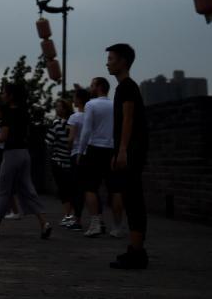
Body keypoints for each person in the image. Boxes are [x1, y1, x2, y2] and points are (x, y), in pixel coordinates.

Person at [0, 83, 52, 239]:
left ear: (11, 95)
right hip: (24, 154)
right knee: (28, 189)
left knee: (3, 191)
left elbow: (4, 136)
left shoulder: (8, 113)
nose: (2, 95)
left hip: (11, 154)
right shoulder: (24, 112)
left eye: (4, 93)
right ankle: (44, 223)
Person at [107, 43, 149, 270]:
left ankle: (137, 251)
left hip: (132, 149)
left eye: (111, 58)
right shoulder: (124, 87)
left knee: (133, 198)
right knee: (129, 196)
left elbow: (128, 119)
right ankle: (135, 249)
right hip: (127, 149)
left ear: (123, 61)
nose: (107, 62)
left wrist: (122, 149)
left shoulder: (127, 87)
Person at [77, 76, 125, 239]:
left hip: (95, 149)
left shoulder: (91, 105)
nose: (90, 88)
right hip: (112, 150)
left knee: (90, 187)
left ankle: (96, 223)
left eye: (92, 85)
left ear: (98, 87)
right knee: (116, 189)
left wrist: (81, 151)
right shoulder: (116, 105)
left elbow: (86, 130)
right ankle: (117, 227)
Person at [45, 97, 74, 225]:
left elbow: (48, 142)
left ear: (64, 109)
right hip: (70, 160)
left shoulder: (57, 123)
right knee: (70, 189)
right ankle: (71, 215)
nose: (56, 108)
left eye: (58, 106)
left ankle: (68, 216)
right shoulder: (72, 123)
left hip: (58, 160)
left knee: (63, 190)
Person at [64, 88, 90, 231]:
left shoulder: (74, 117)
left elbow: (71, 138)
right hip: (90, 153)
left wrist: (67, 148)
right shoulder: (90, 115)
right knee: (91, 188)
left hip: (76, 153)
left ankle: (77, 219)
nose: (73, 100)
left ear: (79, 99)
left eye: (74, 97)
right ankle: (98, 220)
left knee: (76, 188)